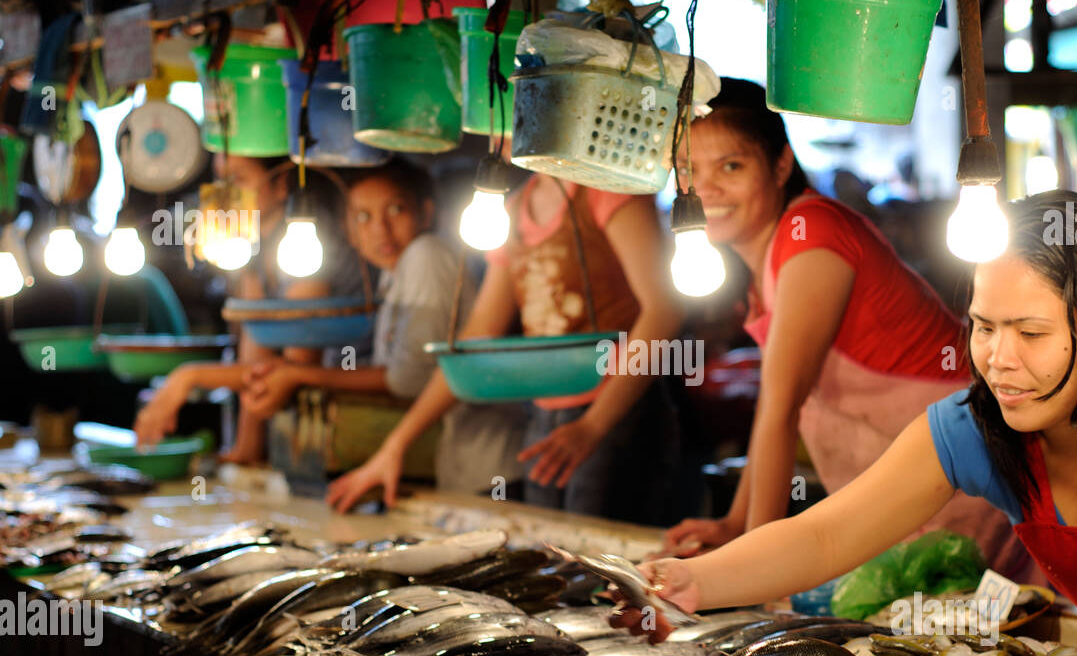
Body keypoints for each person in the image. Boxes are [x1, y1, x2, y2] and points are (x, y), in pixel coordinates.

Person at [616, 190, 1077, 642]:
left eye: (1030, 333)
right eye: (982, 327)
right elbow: (827, 536)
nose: (998, 359)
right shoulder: (982, 428)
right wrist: (695, 582)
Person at [663, 78, 1030, 580]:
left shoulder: (811, 234)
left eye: (731, 166)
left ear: (781, 165)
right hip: (908, 492)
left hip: (956, 484)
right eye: (688, 170)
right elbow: (777, 406)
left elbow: (779, 409)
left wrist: (743, 572)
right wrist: (733, 526)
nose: (706, 190)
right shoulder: (770, 257)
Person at [326, 167, 684, 525]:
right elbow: (476, 338)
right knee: (552, 555)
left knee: (608, 563)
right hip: (546, 415)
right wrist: (395, 446)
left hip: (621, 411)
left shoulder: (608, 191)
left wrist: (593, 425)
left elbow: (664, 310)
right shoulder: (511, 211)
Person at [239, 160, 527, 494]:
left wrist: (299, 374)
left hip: (492, 465)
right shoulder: (394, 274)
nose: (381, 230)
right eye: (363, 217)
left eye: (396, 209)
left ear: (426, 213)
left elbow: (406, 380)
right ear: (347, 228)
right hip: (462, 465)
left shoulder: (426, 255)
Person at [133, 154, 362, 462]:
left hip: (353, 406)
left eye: (238, 180)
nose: (225, 195)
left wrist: (187, 377)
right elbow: (256, 348)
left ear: (281, 186)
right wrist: (246, 449)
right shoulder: (250, 254)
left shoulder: (304, 247)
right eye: (219, 181)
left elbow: (290, 369)